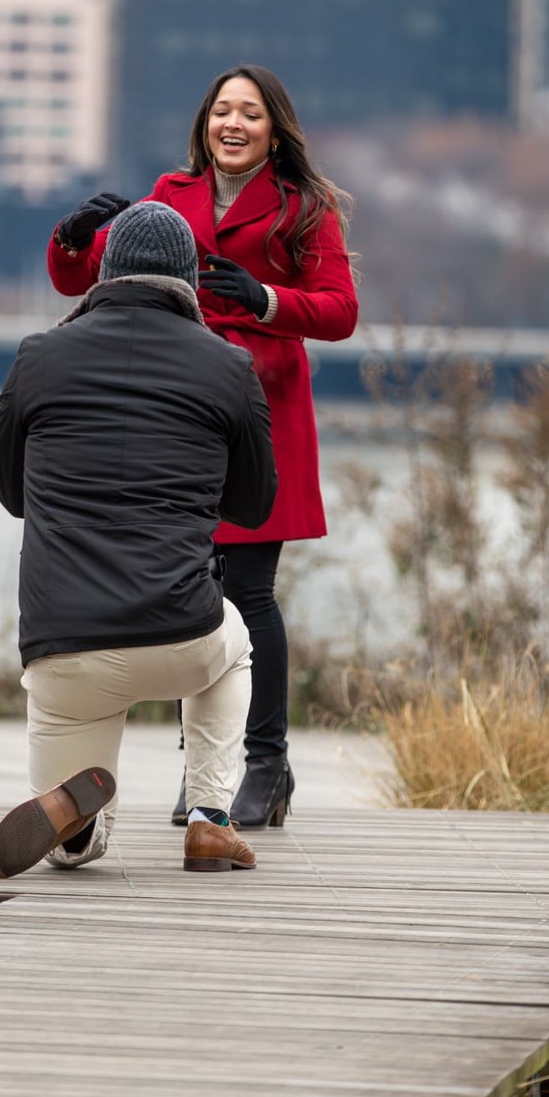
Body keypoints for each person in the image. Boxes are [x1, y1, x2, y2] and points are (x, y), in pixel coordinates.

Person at [47, 65, 357, 829]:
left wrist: (265, 301)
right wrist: (73, 234)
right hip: (179, 415)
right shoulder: (167, 195)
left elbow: (341, 310)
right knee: (193, 598)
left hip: (261, 413)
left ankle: (266, 764)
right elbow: (83, 278)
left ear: (274, 130)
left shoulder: (305, 208)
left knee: (248, 593)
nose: (234, 123)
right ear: (205, 122)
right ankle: (205, 770)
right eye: (223, 110)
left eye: (250, 113)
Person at [0, 200, 278, 881]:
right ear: (190, 281)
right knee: (236, 645)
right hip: (181, 629)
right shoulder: (228, 367)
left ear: (103, 273)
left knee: (71, 848)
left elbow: (13, 497)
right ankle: (209, 820)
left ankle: (78, 829)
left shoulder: (38, 355)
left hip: (62, 643)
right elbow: (255, 506)